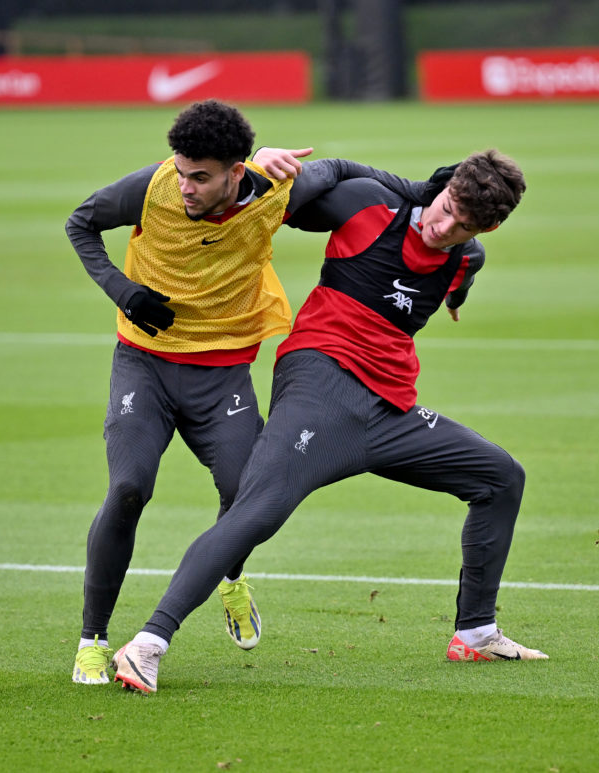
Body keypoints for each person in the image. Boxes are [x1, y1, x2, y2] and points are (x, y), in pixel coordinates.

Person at [110, 149, 547, 694]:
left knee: (500, 477)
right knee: (258, 511)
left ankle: (476, 632)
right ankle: (147, 644)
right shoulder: (371, 207)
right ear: (445, 187)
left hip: (390, 411)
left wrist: (458, 295)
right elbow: (266, 205)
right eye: (446, 208)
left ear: (490, 227)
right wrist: (259, 171)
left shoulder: (466, 257)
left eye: (465, 225)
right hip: (319, 381)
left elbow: (461, 272)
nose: (445, 226)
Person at [64, 99, 431, 686]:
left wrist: (418, 189)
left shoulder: (269, 190)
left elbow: (336, 170)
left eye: (201, 177)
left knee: (245, 494)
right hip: (145, 365)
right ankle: (91, 641)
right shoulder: (150, 189)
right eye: (182, 171)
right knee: (130, 486)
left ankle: (230, 580)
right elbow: (80, 222)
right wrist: (122, 290)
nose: (185, 186)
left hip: (224, 374)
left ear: (237, 172)